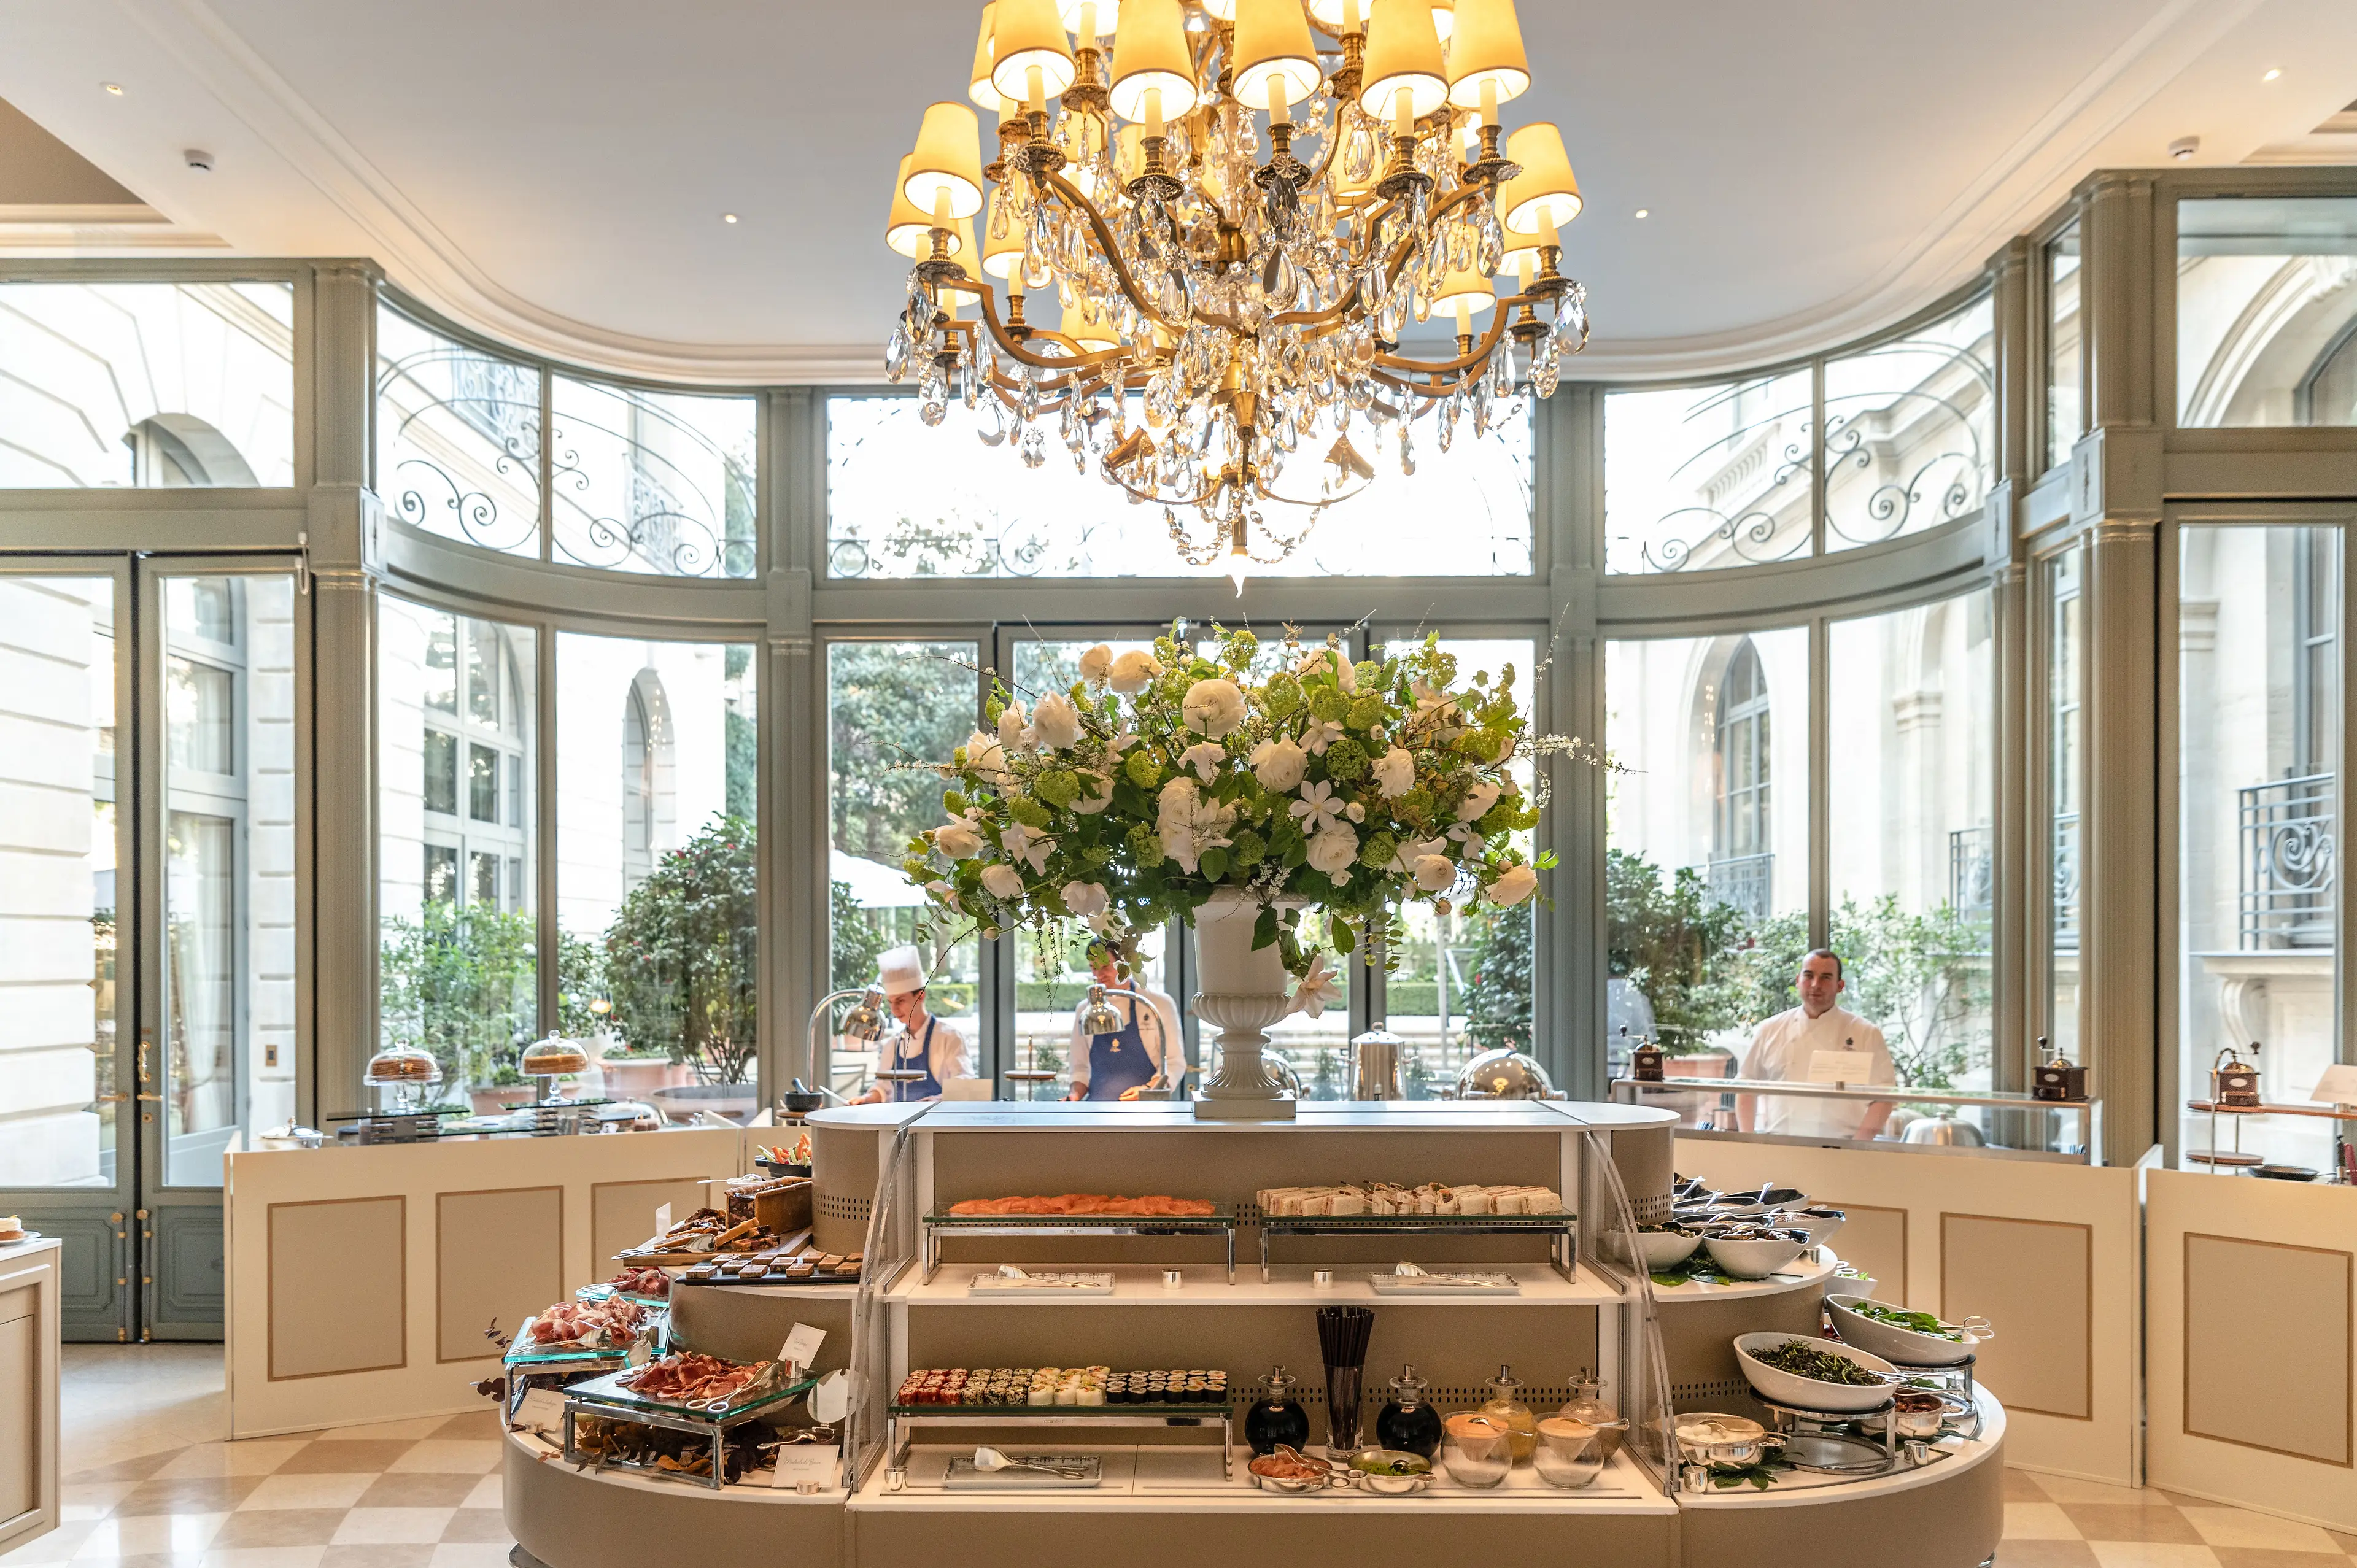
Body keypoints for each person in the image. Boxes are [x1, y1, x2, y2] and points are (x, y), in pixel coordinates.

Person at [1735, 949, 1896, 1141]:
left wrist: (1858, 1145)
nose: (1815, 985)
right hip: (1779, 1145)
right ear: (1798, 980)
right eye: (1809, 976)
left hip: (1843, 1147)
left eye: (1826, 978)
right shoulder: (1770, 1029)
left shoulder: (1866, 1033)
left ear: (1840, 986)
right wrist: (1748, 1140)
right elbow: (1746, 1086)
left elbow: (1884, 1096)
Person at [1065, 940, 1186, 1101]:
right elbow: (1080, 1067)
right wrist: (1073, 1097)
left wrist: (1147, 1091)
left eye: (1105, 967)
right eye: (1094, 968)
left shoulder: (1158, 1004)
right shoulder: (1085, 1010)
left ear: (1124, 964)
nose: (1099, 975)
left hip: (1145, 1110)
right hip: (1096, 1109)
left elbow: (1174, 1063)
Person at [854, 946, 973, 1104]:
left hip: (937, 1118)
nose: (895, 1009)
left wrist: (938, 1100)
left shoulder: (949, 1038)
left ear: (921, 996)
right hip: (899, 1120)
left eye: (900, 1001)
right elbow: (883, 1089)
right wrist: (865, 1100)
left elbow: (965, 1084)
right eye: (891, 1002)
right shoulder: (892, 1045)